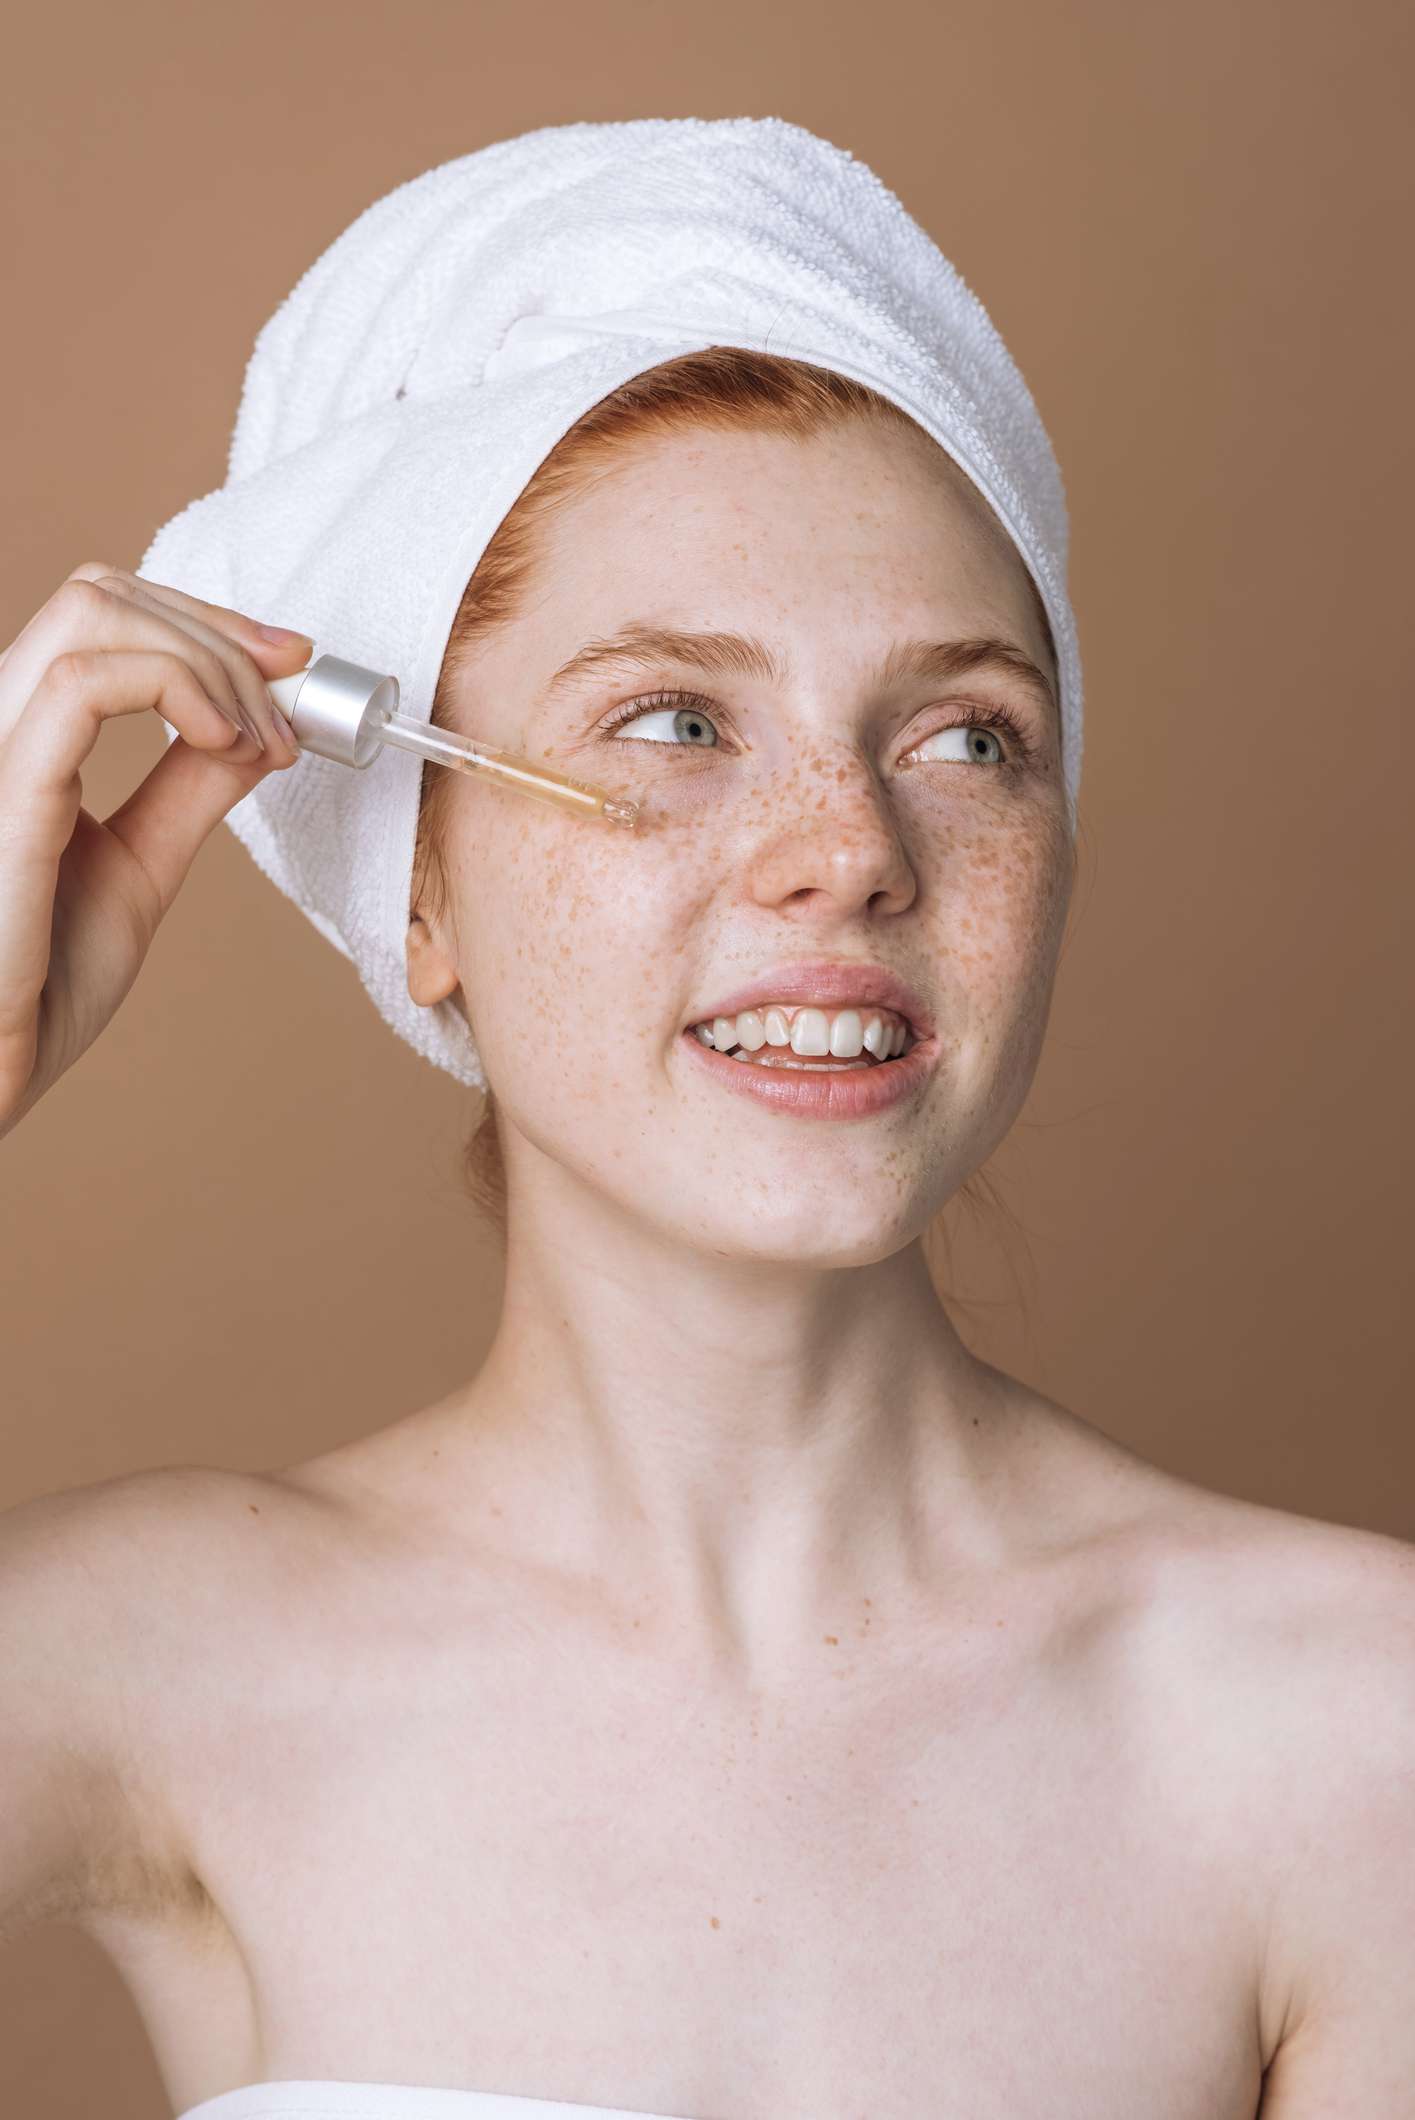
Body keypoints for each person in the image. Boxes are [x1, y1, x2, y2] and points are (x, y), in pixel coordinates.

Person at [2, 248, 1413, 2120]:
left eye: (968, 738)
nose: (848, 856)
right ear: (415, 893)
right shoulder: (137, 1653)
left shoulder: (1354, 1724)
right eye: (674, 721)